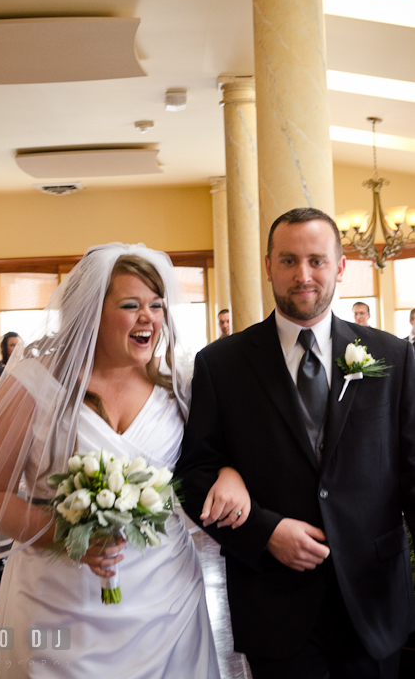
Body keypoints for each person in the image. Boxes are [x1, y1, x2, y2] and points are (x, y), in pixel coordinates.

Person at [0, 243, 248, 679]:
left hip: (166, 598)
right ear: (91, 313)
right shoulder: (31, 386)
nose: (148, 318)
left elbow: (217, 455)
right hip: (57, 604)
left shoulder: (181, 386)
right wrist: (68, 539)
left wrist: (230, 473)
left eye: (157, 305)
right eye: (131, 305)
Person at [177, 208, 415, 679]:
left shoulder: (394, 356)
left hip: (373, 598)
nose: (302, 275)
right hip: (274, 604)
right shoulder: (221, 365)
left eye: (316, 261)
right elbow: (193, 475)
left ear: (341, 267)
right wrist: (264, 532)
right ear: (267, 266)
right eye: (287, 261)